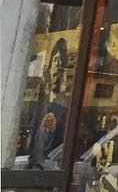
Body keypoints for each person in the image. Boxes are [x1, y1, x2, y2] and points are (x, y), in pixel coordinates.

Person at [27, 37, 69, 168]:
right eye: (55, 61)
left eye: (60, 62)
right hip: (33, 163)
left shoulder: (65, 104)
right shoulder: (42, 101)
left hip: (51, 164)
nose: (57, 66)